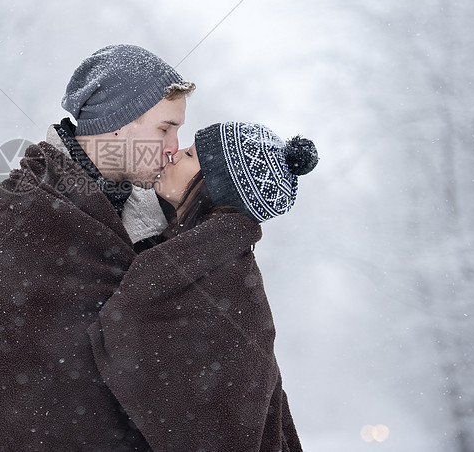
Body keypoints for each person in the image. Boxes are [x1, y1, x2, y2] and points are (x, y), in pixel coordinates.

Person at [0, 44, 195, 451]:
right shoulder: (26, 212)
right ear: (118, 122)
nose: (174, 145)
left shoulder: (160, 215)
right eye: (164, 128)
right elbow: (23, 387)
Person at [88, 121, 317, 452]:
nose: (175, 154)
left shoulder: (222, 282)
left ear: (216, 188)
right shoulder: (199, 259)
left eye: (192, 154)